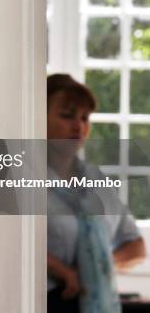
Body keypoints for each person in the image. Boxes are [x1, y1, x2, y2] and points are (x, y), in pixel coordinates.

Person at [46, 74, 146, 313]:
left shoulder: (98, 183)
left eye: (84, 118)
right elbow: (16, 244)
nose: (78, 126)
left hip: (97, 299)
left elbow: (136, 246)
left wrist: (100, 265)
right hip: (50, 301)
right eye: (67, 116)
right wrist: (65, 273)